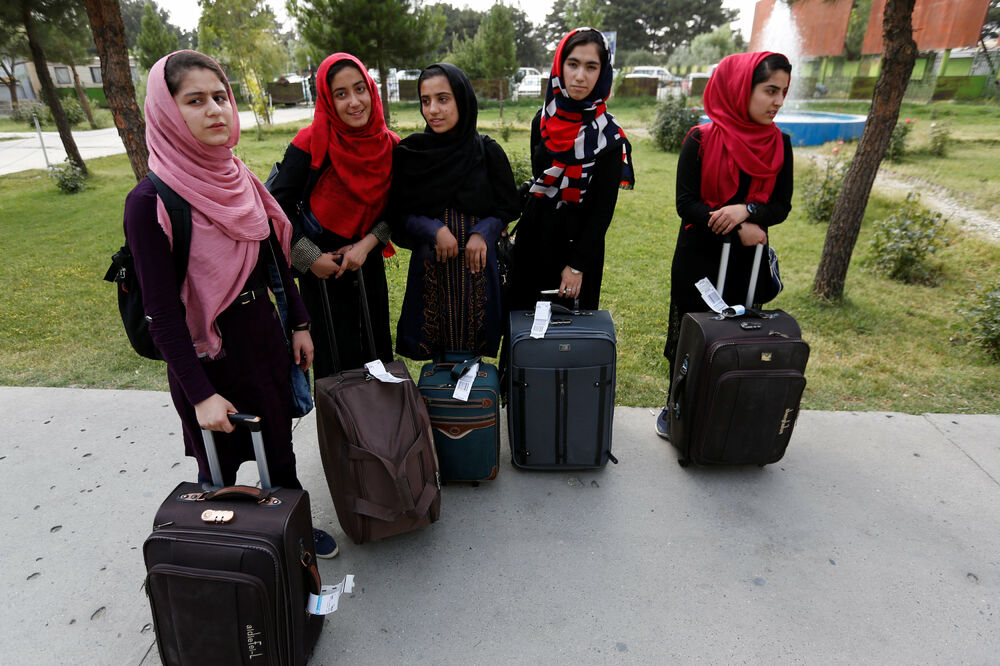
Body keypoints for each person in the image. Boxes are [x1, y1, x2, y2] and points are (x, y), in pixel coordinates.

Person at [123, 50, 338, 557]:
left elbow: (274, 260)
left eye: (220, 97)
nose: (215, 110)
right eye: (195, 101)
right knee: (215, 462)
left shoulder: (240, 178)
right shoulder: (150, 201)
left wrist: (300, 323)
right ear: (167, 113)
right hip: (205, 356)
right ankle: (229, 546)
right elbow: (162, 313)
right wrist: (199, 395)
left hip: (261, 335)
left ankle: (293, 533)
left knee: (280, 451)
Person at [655, 51, 794, 440]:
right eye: (769, 90)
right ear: (740, 89)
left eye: (783, 92)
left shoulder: (779, 143)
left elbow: (779, 206)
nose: (778, 102)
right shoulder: (700, 139)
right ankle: (678, 406)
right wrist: (737, 227)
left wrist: (745, 210)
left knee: (738, 340)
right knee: (692, 338)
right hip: (699, 258)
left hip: (745, 266)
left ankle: (727, 411)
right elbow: (687, 204)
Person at [268, 53, 398, 378]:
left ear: (372, 90)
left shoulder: (390, 146)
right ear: (328, 99)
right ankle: (340, 430)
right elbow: (276, 207)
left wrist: (365, 247)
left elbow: (397, 208)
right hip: (322, 275)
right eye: (341, 94)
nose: (354, 102)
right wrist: (311, 258)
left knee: (376, 358)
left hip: (367, 268)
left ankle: (382, 430)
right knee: (334, 369)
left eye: (359, 89)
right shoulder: (310, 141)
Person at [389, 63, 520, 359]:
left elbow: (507, 207)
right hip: (432, 274)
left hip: (477, 273)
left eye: (443, 99)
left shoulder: (487, 153)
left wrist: (481, 233)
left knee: (474, 358)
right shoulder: (412, 155)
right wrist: (433, 229)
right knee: (438, 360)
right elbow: (398, 213)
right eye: (426, 100)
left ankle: (474, 405)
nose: (433, 109)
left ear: (462, 99)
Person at [506, 27, 634, 312]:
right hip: (534, 241)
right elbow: (542, 181)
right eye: (573, 64)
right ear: (559, 65)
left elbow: (603, 210)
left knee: (568, 339)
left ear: (602, 72)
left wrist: (576, 266)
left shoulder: (609, 136)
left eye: (591, 67)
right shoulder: (543, 119)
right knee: (525, 333)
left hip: (577, 248)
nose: (580, 76)